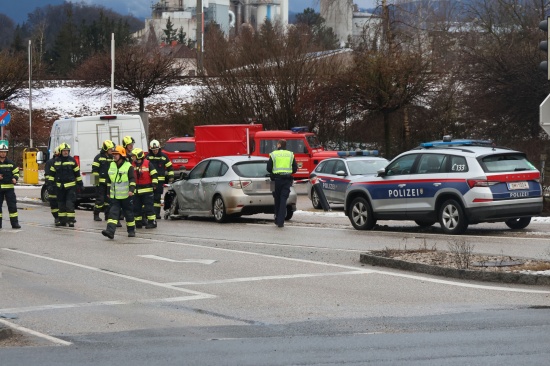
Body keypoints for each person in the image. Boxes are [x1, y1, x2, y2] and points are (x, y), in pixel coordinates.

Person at [102, 145, 136, 239]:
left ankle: (131, 230)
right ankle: (110, 232)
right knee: (113, 213)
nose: (114, 156)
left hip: (126, 196)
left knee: (128, 214)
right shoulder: (112, 165)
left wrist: (131, 190)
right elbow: (109, 180)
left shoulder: (128, 166)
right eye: (114, 154)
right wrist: (108, 192)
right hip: (115, 196)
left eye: (116, 154)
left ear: (122, 155)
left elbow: (132, 179)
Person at [267, 139, 297, 228]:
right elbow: (295, 168)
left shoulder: (273, 154)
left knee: (276, 199)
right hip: (287, 180)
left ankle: (276, 218)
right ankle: (281, 221)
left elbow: (268, 168)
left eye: (277, 144)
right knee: (283, 200)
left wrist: (274, 172)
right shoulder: (290, 154)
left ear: (279, 145)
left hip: (274, 180)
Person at [51, 142, 83, 227]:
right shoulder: (56, 161)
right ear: (61, 151)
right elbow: (52, 174)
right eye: (64, 151)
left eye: (67, 151)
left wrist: (80, 183)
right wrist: (50, 185)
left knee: (69, 204)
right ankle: (62, 220)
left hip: (70, 187)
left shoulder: (72, 161)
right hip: (60, 187)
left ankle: (71, 220)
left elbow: (77, 173)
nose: (66, 152)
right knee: (61, 204)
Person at [146, 139, 174, 219]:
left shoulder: (164, 157)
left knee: (157, 198)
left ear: (159, 148)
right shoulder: (148, 157)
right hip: (149, 181)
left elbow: (170, 167)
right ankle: (149, 214)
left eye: (156, 149)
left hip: (159, 182)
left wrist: (171, 177)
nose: (155, 151)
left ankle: (157, 214)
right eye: (153, 150)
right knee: (149, 198)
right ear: (150, 149)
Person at [131, 148, 158, 229]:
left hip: (147, 190)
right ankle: (138, 223)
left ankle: (152, 222)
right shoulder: (133, 165)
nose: (133, 157)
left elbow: (154, 174)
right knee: (137, 208)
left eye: (134, 156)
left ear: (138, 156)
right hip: (137, 191)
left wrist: (154, 184)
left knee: (149, 208)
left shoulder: (148, 163)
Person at [92, 140, 114, 221]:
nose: (111, 151)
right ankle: (96, 214)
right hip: (100, 184)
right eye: (110, 149)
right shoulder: (98, 158)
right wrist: (95, 183)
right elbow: (94, 171)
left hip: (109, 183)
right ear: (106, 149)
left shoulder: (112, 158)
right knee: (100, 200)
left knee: (109, 200)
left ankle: (107, 215)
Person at [0, 140, 21, 229]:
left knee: (12, 206)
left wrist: (15, 178)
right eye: (1, 152)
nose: (3, 154)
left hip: (9, 189)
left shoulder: (11, 163)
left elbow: (16, 172)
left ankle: (15, 223)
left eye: (4, 152)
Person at [44, 145, 61, 224]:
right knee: (54, 203)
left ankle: (63, 218)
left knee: (62, 202)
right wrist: (49, 185)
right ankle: (56, 217)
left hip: (61, 186)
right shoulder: (50, 162)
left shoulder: (64, 161)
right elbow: (47, 175)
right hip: (53, 186)